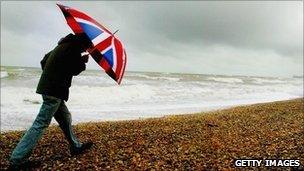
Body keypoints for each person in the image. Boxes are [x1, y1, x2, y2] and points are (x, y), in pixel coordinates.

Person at [8, 33, 93, 170]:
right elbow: (75, 70)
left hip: (49, 88)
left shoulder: (62, 45)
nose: (84, 51)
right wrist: (83, 62)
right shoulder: (74, 49)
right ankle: (17, 159)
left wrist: (52, 75)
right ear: (83, 43)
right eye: (85, 48)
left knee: (65, 118)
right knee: (41, 123)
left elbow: (44, 61)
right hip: (55, 91)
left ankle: (76, 146)